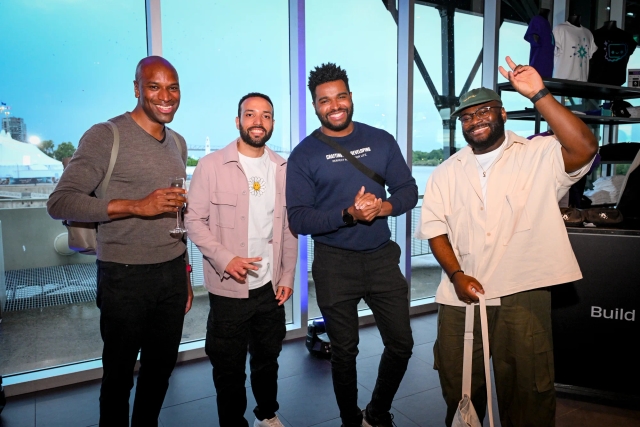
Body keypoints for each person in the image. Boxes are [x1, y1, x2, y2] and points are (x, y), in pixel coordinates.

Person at [416, 56, 598, 426]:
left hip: (523, 288)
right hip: (460, 294)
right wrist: (455, 274)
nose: (475, 119)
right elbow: (435, 230)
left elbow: (585, 148)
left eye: (484, 111)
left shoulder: (539, 154)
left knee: (528, 389)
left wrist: (539, 94)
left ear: (503, 115)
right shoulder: (445, 172)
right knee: (459, 385)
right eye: (467, 116)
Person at [47, 56, 193, 427]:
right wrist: (137, 206)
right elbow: (60, 201)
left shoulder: (178, 141)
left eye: (172, 87)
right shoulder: (105, 135)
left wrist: (186, 276)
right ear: (136, 89)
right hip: (123, 277)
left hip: (171, 274)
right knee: (118, 377)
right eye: (154, 86)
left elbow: (180, 218)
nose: (166, 96)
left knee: (160, 373)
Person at [286, 63, 418, 427]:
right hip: (334, 264)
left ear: (350, 97)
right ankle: (349, 420)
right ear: (315, 106)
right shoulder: (304, 155)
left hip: (380, 259)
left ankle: (377, 412)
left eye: (340, 96)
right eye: (324, 100)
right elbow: (298, 219)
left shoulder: (381, 140)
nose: (334, 105)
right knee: (343, 352)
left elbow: (408, 190)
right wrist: (348, 214)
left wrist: (384, 207)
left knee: (402, 344)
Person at [184, 93, 297, 427]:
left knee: (268, 358)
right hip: (228, 288)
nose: (258, 121)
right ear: (238, 121)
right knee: (228, 364)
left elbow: (289, 228)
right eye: (250, 114)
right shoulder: (210, 166)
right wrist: (225, 258)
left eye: (266, 115)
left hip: (269, 286)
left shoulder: (282, 168)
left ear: (273, 123)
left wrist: (288, 274)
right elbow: (193, 221)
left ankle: (267, 413)